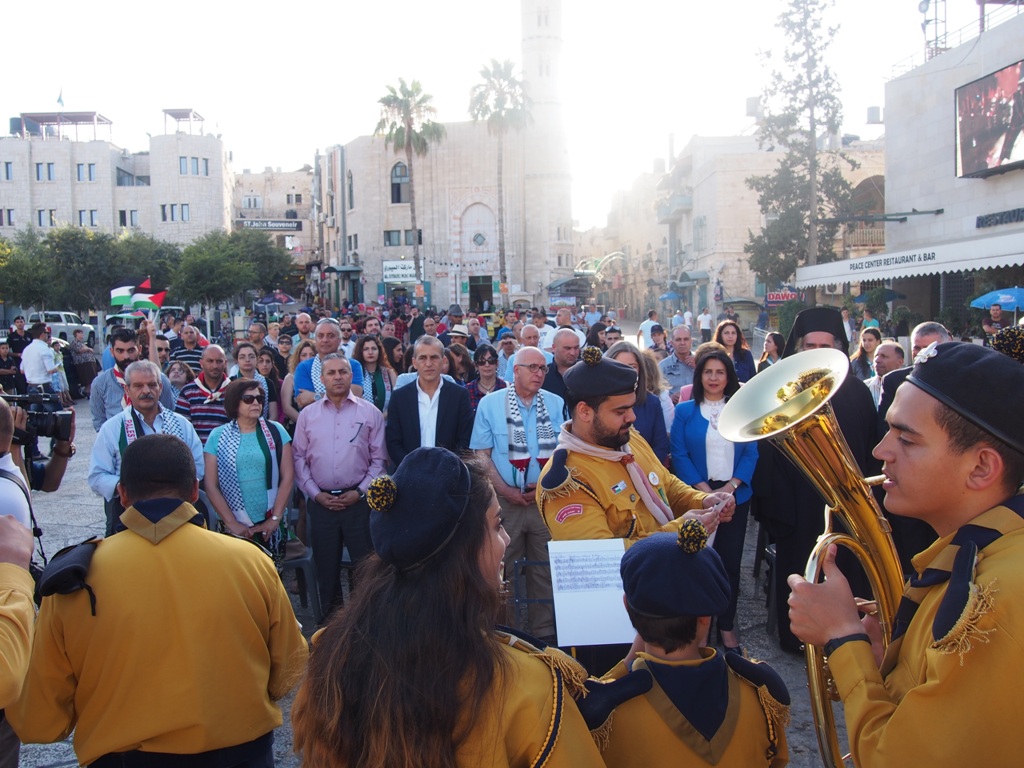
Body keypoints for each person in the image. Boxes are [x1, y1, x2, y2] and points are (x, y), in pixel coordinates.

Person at [787, 342, 1024, 766]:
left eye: (907, 440)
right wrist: (888, 668)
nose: (880, 451)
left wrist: (844, 637)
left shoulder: (1000, 598)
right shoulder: (976, 556)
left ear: (983, 468)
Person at [291, 447, 604, 767]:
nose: (507, 540)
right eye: (497, 526)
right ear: (463, 552)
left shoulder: (331, 654)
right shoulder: (529, 686)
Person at [12, 434, 308, 767]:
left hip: (123, 758)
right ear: (195, 492)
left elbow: (39, 720)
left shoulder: (76, 580)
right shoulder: (251, 562)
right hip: (241, 755)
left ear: (122, 495)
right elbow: (290, 669)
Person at [590, 520, 790, 767]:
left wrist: (625, 666)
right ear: (706, 618)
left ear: (626, 606)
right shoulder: (759, 694)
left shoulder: (606, 714)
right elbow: (777, 760)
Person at [759, 306, 879, 653]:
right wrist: (780, 512)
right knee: (800, 567)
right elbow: (769, 453)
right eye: (810, 345)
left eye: (825, 345)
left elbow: (870, 451)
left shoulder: (856, 392)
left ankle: (848, 636)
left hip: (847, 504)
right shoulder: (781, 391)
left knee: (848, 567)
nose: (817, 352)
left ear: (839, 348)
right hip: (796, 505)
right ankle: (798, 640)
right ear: (799, 348)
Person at [537, 347, 732, 543]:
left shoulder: (627, 437)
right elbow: (602, 561)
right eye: (620, 412)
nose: (632, 417)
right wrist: (679, 532)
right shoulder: (568, 482)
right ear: (585, 412)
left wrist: (701, 500)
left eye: (631, 407)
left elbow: (665, 483)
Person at [471, 347, 564, 641]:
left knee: (544, 569)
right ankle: (505, 634)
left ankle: (544, 635)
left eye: (543, 369)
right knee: (502, 569)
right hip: (504, 505)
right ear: (515, 371)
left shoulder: (555, 403)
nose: (539, 374)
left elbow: (565, 452)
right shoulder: (490, 404)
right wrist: (505, 490)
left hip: (544, 501)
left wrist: (547, 482)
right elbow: (481, 455)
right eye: (532, 367)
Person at [670, 347, 758, 655]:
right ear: (699, 376)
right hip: (698, 495)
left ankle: (727, 625)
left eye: (720, 372)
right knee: (696, 563)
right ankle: (699, 628)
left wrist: (731, 488)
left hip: (736, 495)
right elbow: (679, 454)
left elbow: (751, 451)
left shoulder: (741, 409)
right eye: (708, 372)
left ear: (729, 377)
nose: (714, 377)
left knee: (729, 564)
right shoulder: (684, 411)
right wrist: (706, 494)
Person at [293, 353, 387, 615]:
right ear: (322, 379)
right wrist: (314, 494)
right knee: (326, 573)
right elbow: (299, 458)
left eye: (342, 372)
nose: (337, 377)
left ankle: (363, 629)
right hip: (321, 504)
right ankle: (328, 635)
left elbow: (379, 460)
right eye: (331, 373)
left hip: (358, 503)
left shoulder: (370, 413)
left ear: (351, 376)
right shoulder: (307, 415)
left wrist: (359, 492)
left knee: (364, 571)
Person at [89, 360, 205, 537]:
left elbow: (197, 466)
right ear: (127, 390)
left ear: (160, 387)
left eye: (152, 385)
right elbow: (97, 476)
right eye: (138, 386)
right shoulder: (112, 428)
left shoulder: (181, 425)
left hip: (177, 515)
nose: (146, 391)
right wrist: (132, 488)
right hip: (128, 516)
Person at [204, 379, 293, 560]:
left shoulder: (276, 431)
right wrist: (232, 523)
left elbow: (288, 476)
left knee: (270, 578)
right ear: (234, 402)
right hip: (232, 526)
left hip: (270, 524)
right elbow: (211, 485)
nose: (255, 403)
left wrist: (274, 519)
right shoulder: (217, 436)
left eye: (259, 399)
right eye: (248, 399)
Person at [386, 336, 473, 468]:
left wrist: (445, 468)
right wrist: (412, 467)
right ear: (414, 363)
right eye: (422, 358)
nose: (428, 363)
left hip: (449, 474)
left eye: (434, 357)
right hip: (408, 476)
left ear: (443, 361)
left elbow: (464, 439)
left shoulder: (459, 396)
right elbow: (393, 441)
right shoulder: (399, 397)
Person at [607, 341, 670, 465]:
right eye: (620, 365)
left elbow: (661, 446)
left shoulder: (652, 402)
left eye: (632, 366)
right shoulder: (596, 402)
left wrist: (644, 472)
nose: (626, 371)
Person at [293, 318, 365, 409]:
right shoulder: (304, 367)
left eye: (331, 336)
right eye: (320, 336)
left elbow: (355, 394)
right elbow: (304, 401)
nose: (325, 340)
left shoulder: (353, 365)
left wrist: (315, 396)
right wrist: (341, 395)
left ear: (339, 341)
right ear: (315, 340)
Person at [174, 344, 231, 444]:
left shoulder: (233, 390)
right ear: (201, 363)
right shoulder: (188, 392)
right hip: (196, 453)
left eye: (219, 361)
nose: (215, 366)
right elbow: (181, 428)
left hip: (227, 452)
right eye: (210, 361)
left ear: (225, 363)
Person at [351, 334, 396, 414]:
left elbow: (396, 399)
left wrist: (382, 417)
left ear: (379, 351)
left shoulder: (389, 373)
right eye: (366, 349)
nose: (370, 352)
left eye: (374, 349)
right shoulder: (355, 373)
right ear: (360, 351)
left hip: (385, 420)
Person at [231, 342, 275, 421]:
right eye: (242, 357)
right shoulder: (230, 383)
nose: (247, 360)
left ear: (257, 359)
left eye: (251, 356)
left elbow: (273, 415)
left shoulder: (268, 383)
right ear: (236, 361)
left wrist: (265, 428)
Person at [280, 339, 317, 432]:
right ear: (298, 357)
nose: (308, 358)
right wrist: (304, 422)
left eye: (312, 355)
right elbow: (286, 407)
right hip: (297, 425)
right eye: (304, 355)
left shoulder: (323, 377)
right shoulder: (290, 377)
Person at [542, 327, 581, 411]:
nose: (572, 353)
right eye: (567, 348)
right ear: (554, 347)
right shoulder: (543, 375)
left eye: (576, 348)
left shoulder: (587, 372)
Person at [465, 344, 507, 413]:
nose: (487, 365)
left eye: (491, 360)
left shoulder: (507, 388)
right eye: (482, 361)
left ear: (497, 363)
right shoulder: (467, 391)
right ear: (476, 366)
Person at [659, 325, 696, 403]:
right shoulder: (662, 366)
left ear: (691, 341)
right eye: (678, 339)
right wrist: (669, 398)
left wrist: (699, 367)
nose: (682, 343)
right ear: (672, 343)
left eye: (686, 339)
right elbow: (655, 391)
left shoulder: (702, 363)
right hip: (673, 409)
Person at [864, 341, 905, 408]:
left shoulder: (909, 388)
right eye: (876, 356)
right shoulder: (865, 387)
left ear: (900, 362)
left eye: (884, 356)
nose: (877, 360)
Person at [68, 328, 98, 397]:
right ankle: (87, 391)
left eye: (82, 333)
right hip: (82, 363)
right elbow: (79, 350)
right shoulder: (74, 342)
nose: (82, 335)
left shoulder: (82, 343)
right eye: (80, 333)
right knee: (88, 378)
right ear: (76, 334)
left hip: (89, 362)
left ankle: (89, 390)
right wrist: (88, 349)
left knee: (92, 377)